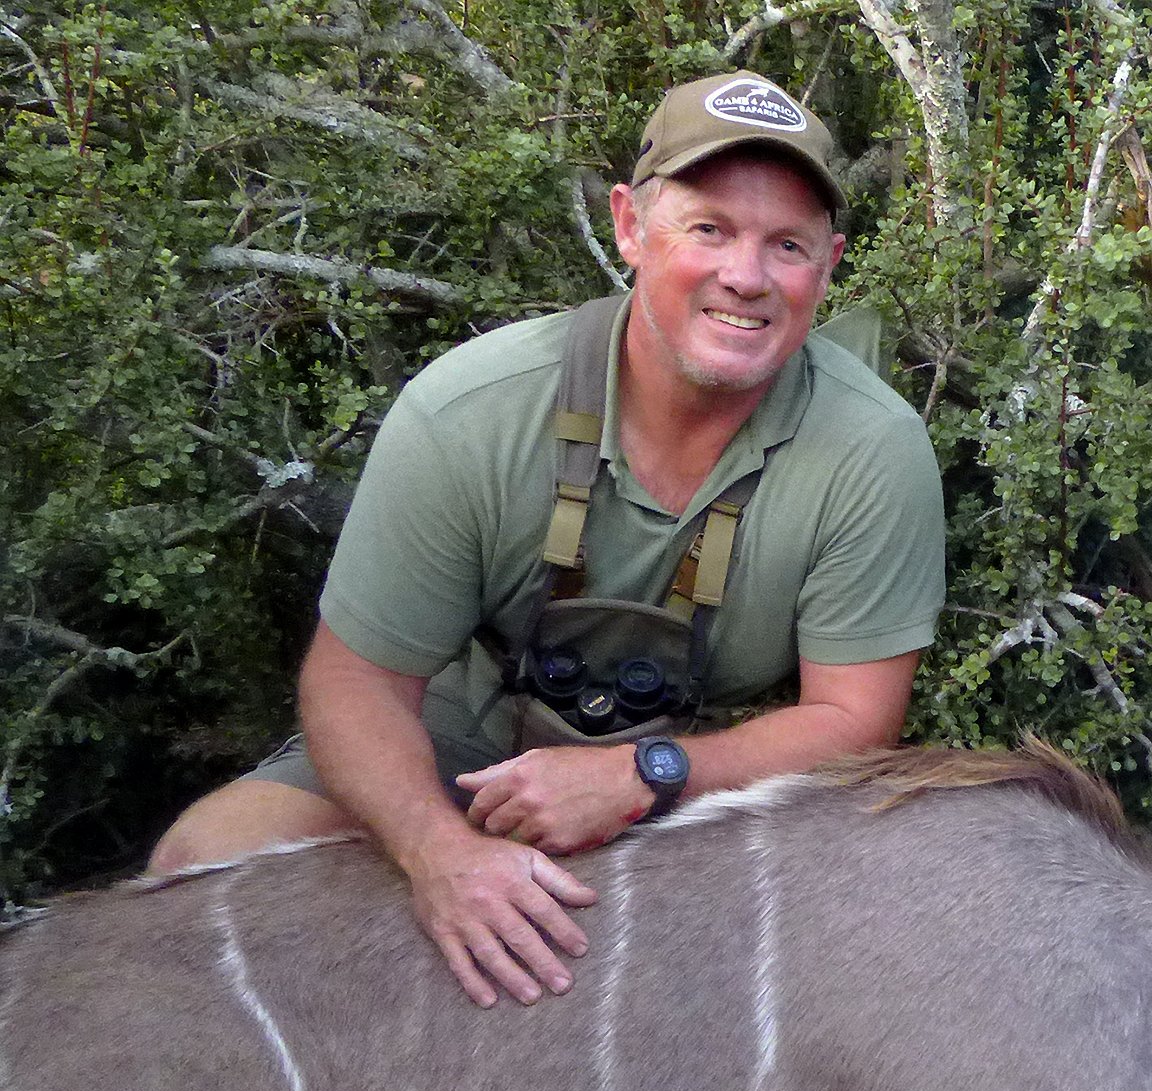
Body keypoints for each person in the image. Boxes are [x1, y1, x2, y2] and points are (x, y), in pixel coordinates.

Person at [150, 73, 947, 1010]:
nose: (747, 275)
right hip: (469, 726)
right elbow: (356, 679)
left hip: (706, 763)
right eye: (708, 229)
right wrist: (437, 852)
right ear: (628, 226)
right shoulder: (471, 410)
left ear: (831, 264)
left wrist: (646, 774)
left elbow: (855, 724)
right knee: (197, 867)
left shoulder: (874, 448)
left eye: (788, 246)